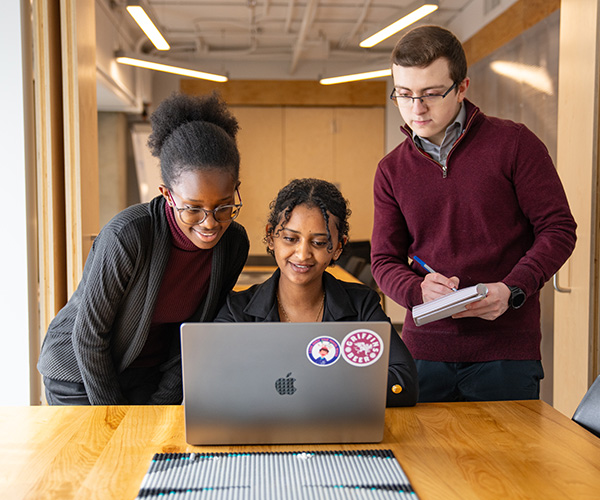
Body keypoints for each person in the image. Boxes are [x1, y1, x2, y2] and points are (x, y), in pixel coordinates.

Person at [371, 25, 577, 403]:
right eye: (404, 94)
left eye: (432, 94)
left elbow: (558, 229)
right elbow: (383, 260)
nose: (417, 108)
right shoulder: (391, 170)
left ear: (462, 87)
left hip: (506, 354)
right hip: (425, 352)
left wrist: (513, 289)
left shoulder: (515, 143)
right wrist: (417, 291)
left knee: (509, 463)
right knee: (424, 462)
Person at [38, 92, 250, 405]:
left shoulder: (233, 243)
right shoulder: (129, 235)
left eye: (223, 207)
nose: (209, 223)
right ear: (168, 194)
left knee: (154, 448)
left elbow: (195, 333)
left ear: (235, 191)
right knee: (106, 452)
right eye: (193, 208)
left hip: (149, 373)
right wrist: (114, 416)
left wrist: (164, 399)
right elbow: (88, 336)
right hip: (80, 373)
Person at [215, 178, 418, 407]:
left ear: (339, 247)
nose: (302, 255)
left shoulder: (362, 306)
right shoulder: (236, 310)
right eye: (290, 239)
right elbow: (214, 384)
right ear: (271, 236)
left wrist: (298, 388)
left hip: (339, 437)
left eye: (320, 243)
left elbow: (403, 383)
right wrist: (336, 385)